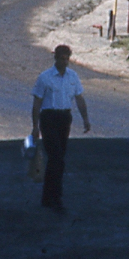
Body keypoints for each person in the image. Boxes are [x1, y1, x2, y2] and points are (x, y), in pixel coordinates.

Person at [31, 44, 91, 211]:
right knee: (56, 157)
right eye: (61, 59)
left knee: (58, 159)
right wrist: (35, 127)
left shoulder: (73, 76)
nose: (64, 62)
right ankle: (55, 196)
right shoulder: (45, 77)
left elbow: (79, 99)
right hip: (49, 118)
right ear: (55, 58)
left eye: (67, 59)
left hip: (64, 118)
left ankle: (49, 196)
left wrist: (85, 119)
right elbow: (37, 103)